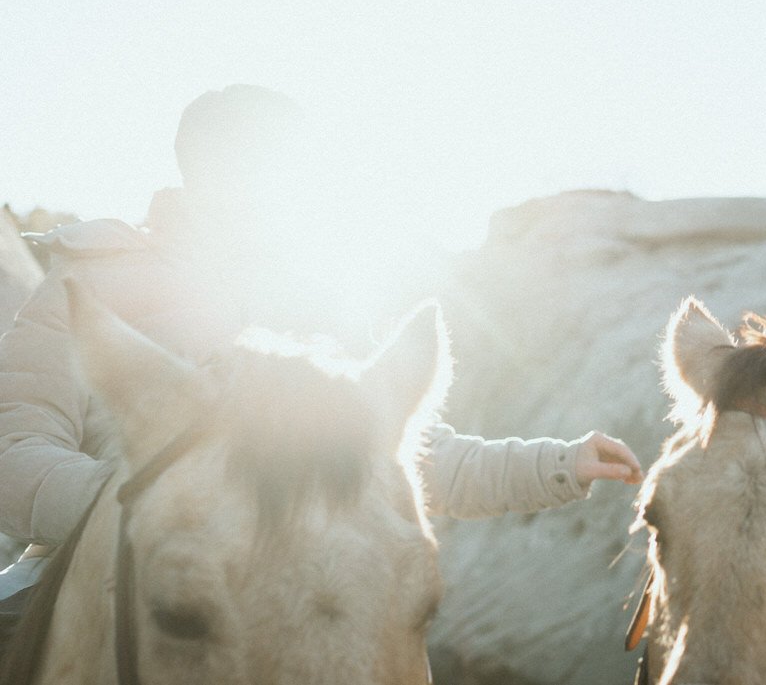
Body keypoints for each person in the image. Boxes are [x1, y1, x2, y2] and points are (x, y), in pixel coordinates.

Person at [0, 85, 642, 628]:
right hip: (96, 587)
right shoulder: (96, 275)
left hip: (294, 594)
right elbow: (15, 448)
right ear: (197, 166)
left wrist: (560, 463)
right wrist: (165, 513)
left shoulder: (320, 308)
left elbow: (409, 462)